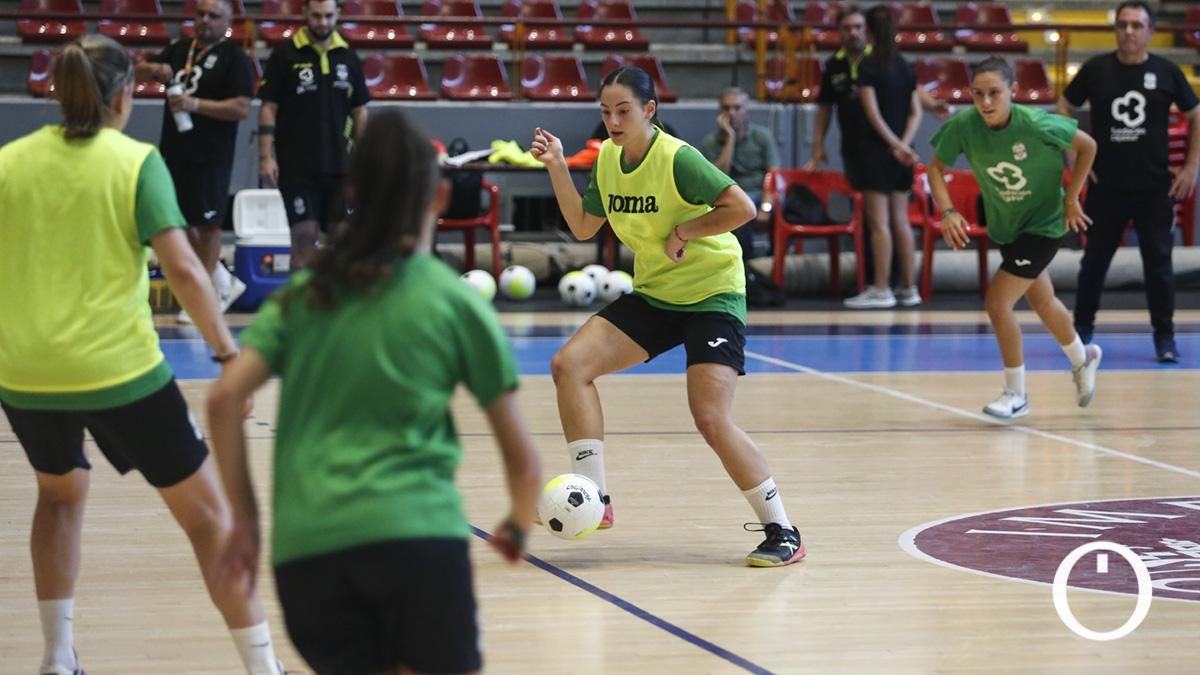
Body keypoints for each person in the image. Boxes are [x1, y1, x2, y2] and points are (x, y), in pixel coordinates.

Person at [209, 109, 541, 675]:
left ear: (354, 191)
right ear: (439, 198)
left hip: (309, 556)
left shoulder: (306, 293)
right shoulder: (453, 301)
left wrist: (245, 521)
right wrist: (516, 522)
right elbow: (523, 461)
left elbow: (221, 402)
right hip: (418, 542)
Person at [0, 35, 285, 675]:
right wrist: (225, 356)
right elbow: (184, 269)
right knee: (210, 521)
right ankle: (265, 670)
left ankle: (55, 658)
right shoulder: (135, 162)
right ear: (124, 96)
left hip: (23, 374)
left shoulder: (8, 162)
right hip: (119, 372)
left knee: (59, 498)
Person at [531, 66, 805, 567]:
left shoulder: (678, 158)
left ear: (649, 111)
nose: (613, 121)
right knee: (570, 365)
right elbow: (582, 226)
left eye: (624, 111)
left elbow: (741, 207)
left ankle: (783, 530)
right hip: (657, 294)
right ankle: (596, 497)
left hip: (712, 294)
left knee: (710, 418)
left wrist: (685, 232)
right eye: (605, 111)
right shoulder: (608, 159)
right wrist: (555, 166)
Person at [928, 57, 1101, 419]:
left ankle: (1016, 394)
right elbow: (935, 168)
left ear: (1013, 92)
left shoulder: (1036, 122)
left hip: (1044, 225)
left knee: (997, 304)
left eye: (994, 93)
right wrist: (948, 211)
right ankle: (1082, 359)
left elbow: (1088, 147)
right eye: (978, 94)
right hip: (1007, 226)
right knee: (1044, 303)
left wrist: (1071, 199)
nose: (986, 102)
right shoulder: (964, 126)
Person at [1059, 0, 1200, 363]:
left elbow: (1195, 113)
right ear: (1115, 29)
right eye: (1123, 25)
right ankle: (1082, 331)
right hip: (1106, 186)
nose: (1129, 32)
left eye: (1137, 25)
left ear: (1150, 30)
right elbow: (1064, 105)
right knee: (1094, 263)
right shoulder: (1096, 69)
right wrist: (1073, 158)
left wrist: (1190, 167)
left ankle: (1165, 339)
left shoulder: (1167, 72)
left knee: (1159, 264)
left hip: (1155, 188)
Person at [136, 0, 254, 323]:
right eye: (200, 14)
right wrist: (152, 70)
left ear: (227, 22)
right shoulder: (179, 49)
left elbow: (242, 108)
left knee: (207, 226)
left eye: (213, 16)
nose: (205, 21)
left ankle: (200, 298)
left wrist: (195, 104)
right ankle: (221, 281)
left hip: (211, 154)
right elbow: (137, 70)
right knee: (178, 221)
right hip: (174, 149)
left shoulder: (235, 58)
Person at [258, 0, 369, 269]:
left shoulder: (349, 57)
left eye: (329, 16)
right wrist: (265, 157)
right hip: (298, 167)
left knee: (342, 239)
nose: (323, 23)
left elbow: (360, 112)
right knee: (304, 235)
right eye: (317, 16)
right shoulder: (284, 55)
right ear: (304, 14)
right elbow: (268, 108)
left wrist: (364, 159)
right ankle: (300, 307)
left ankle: (339, 306)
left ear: (338, 15)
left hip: (340, 167)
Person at [838, 4, 922, 309]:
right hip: (902, 156)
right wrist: (904, 145)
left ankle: (882, 288)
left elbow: (872, 114)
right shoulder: (905, 65)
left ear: (870, 31)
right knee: (901, 220)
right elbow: (916, 111)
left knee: (879, 224)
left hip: (875, 153)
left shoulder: (868, 67)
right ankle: (908, 289)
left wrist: (893, 144)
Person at [699, 86, 780, 305]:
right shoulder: (710, 142)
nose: (732, 112)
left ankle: (748, 274)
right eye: (727, 108)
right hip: (726, 200)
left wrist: (766, 207)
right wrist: (730, 140)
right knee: (735, 214)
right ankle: (741, 277)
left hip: (756, 196)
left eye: (737, 107)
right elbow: (716, 178)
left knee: (743, 211)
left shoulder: (762, 137)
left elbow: (773, 175)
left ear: (747, 110)